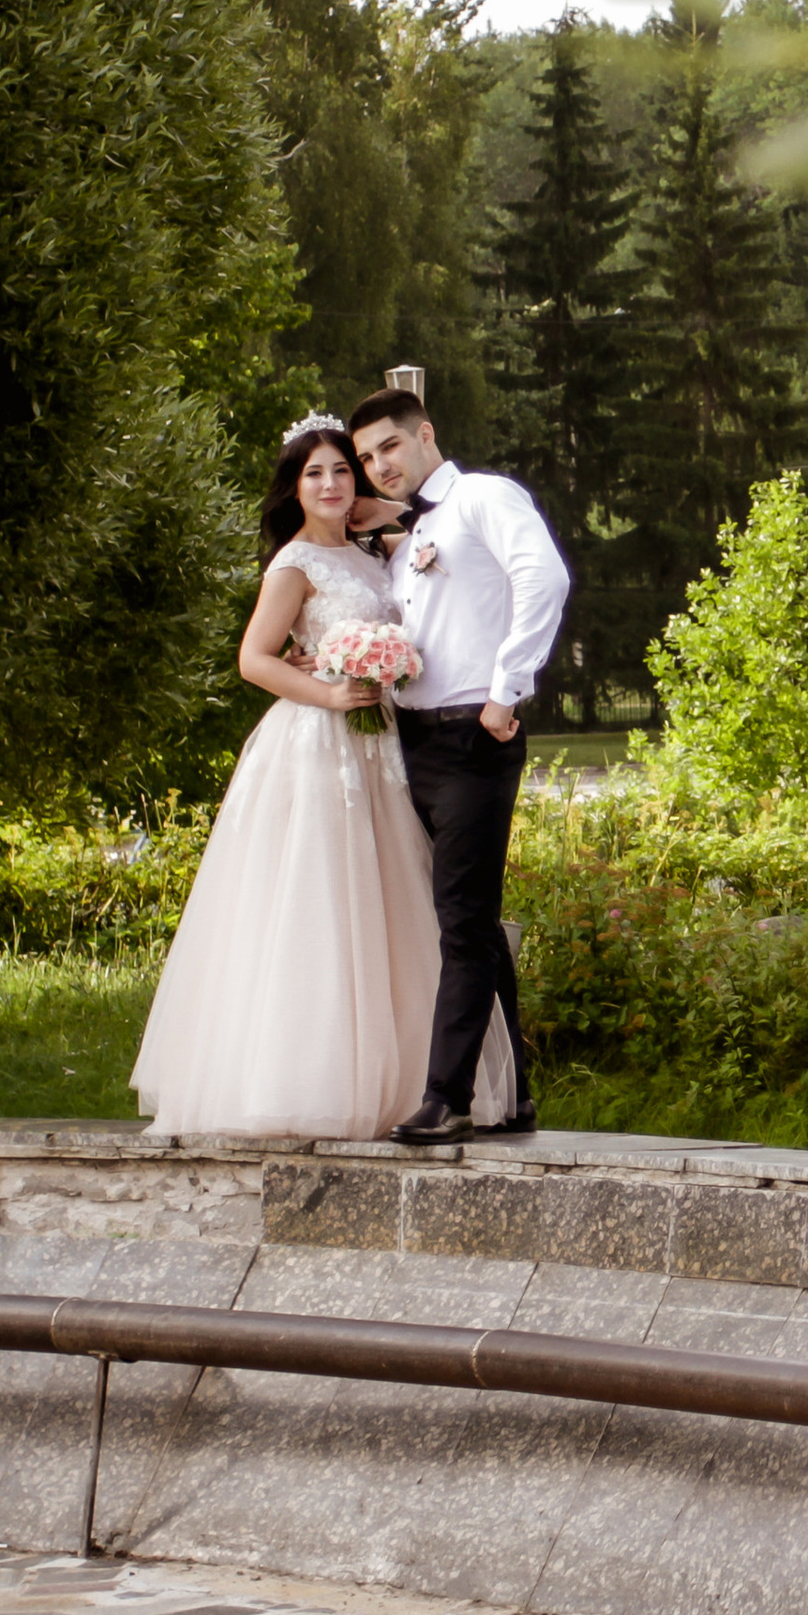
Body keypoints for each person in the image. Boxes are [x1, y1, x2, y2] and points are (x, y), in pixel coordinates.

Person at [129, 416, 510, 1139]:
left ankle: (404, 1080)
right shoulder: (294, 564)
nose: (333, 484)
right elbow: (255, 659)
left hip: (383, 747)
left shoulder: (379, 553)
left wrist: (392, 511)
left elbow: (445, 551)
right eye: (316, 474)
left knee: (391, 906)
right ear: (294, 488)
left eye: (344, 471)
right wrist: (332, 690)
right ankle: (307, 1080)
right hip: (318, 744)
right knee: (322, 901)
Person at [347, 386, 569, 1144]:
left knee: (461, 918)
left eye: (390, 447)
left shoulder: (481, 497)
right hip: (410, 741)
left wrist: (507, 692)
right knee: (464, 916)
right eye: (367, 457)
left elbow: (545, 579)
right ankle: (515, 1096)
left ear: (426, 433)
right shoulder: (403, 535)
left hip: (477, 737)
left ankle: (449, 1095)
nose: (379, 466)